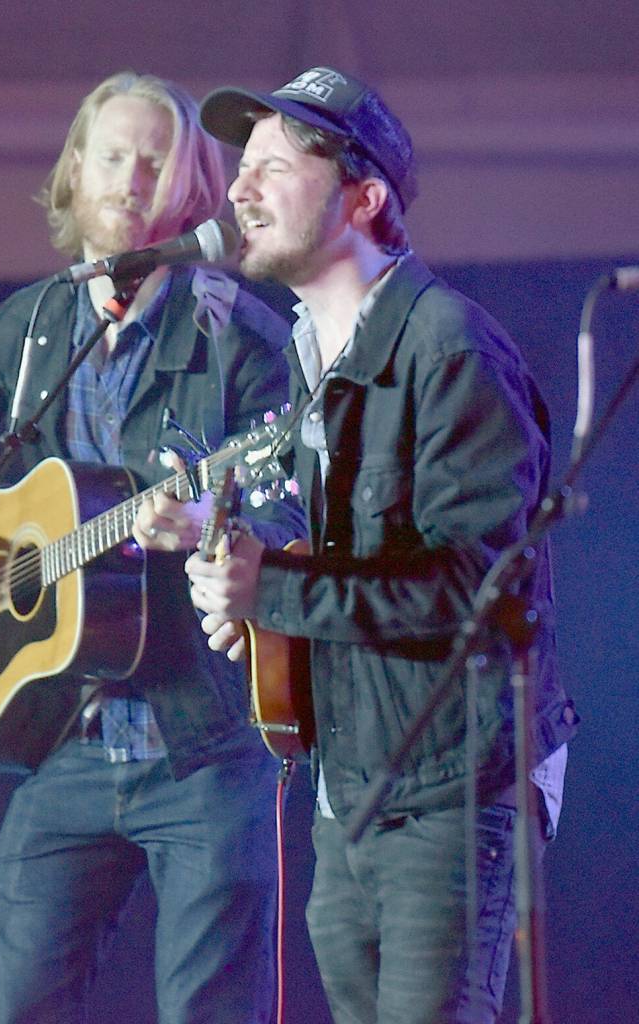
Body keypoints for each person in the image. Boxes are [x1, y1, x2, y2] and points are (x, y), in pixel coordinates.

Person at [0, 71, 305, 1024]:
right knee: (14, 1006)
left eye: (156, 162)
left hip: (204, 742)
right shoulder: (33, 327)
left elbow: (297, 509)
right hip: (60, 735)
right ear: (75, 172)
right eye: (111, 155)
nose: (130, 178)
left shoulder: (243, 340)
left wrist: (209, 527)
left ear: (191, 190)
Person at [186, 67, 578, 1023]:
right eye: (242, 168)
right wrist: (263, 615)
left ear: (363, 198)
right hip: (351, 793)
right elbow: (348, 562)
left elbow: (468, 589)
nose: (238, 189)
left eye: (274, 167)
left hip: (452, 792)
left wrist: (267, 590)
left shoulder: (448, 347)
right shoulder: (308, 356)